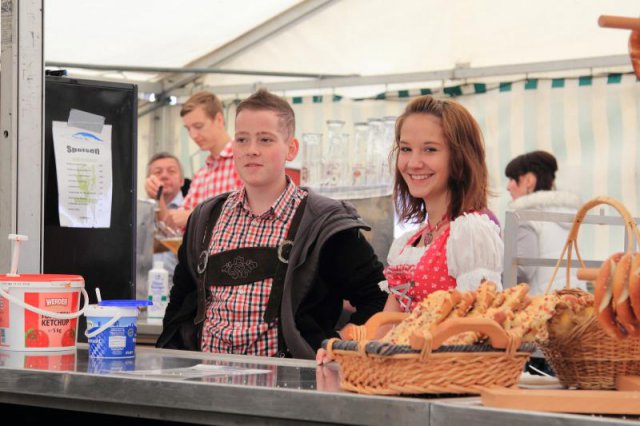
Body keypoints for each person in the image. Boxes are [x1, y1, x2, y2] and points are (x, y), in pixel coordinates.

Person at [157, 89, 387, 359]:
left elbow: (377, 298)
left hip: (291, 389)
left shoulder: (324, 222)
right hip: (207, 382)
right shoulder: (206, 217)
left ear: (291, 149)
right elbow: (182, 298)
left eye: (265, 139)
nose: (252, 150)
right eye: (242, 139)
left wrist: (341, 343)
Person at [316, 95, 504, 364]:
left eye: (430, 149)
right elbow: (387, 330)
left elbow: (476, 331)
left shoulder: (471, 231)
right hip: (407, 379)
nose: (413, 163)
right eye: (406, 149)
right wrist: (350, 355)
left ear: (460, 157)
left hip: (448, 381)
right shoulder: (409, 243)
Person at [145, 91, 242, 230]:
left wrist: (194, 216)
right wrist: (158, 197)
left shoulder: (244, 161)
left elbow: (252, 215)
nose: (193, 135)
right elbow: (172, 228)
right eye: (188, 129)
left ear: (219, 119)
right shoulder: (202, 175)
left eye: (198, 126)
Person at [505, 150, 582, 295]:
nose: (508, 187)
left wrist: (495, 278)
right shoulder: (571, 215)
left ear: (528, 181)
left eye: (511, 179)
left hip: (542, 307)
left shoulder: (527, 216)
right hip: (574, 300)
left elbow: (522, 271)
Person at [145, 152, 185, 279]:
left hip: (179, 287)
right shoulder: (139, 213)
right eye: (157, 172)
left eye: (171, 171)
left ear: (182, 180)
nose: (164, 176)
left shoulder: (190, 210)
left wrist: (159, 198)